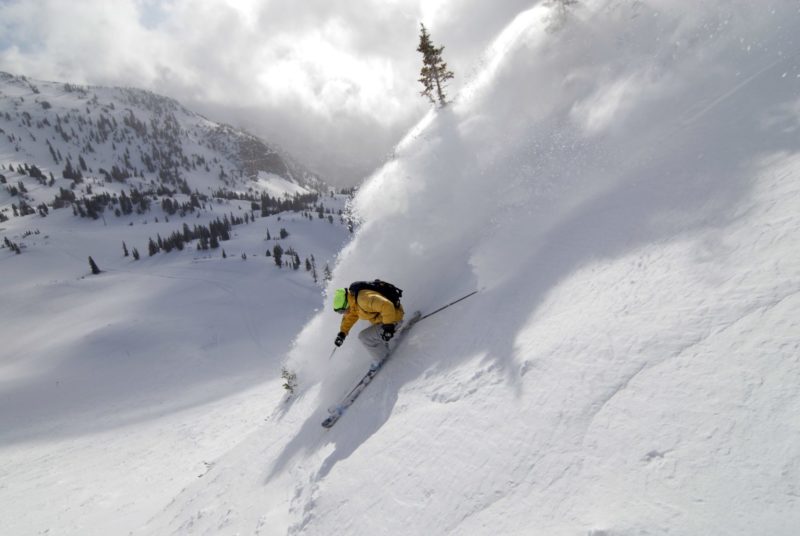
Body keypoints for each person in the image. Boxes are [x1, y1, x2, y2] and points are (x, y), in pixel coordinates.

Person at [332, 284, 405, 362]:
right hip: (385, 319)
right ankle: (390, 340)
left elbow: (386, 305)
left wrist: (388, 328)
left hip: (393, 318)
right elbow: (350, 317)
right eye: (340, 312)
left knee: (364, 337)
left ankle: (382, 357)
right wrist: (342, 333)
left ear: (346, 304)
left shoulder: (363, 300)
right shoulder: (353, 302)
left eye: (342, 311)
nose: (343, 313)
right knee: (370, 330)